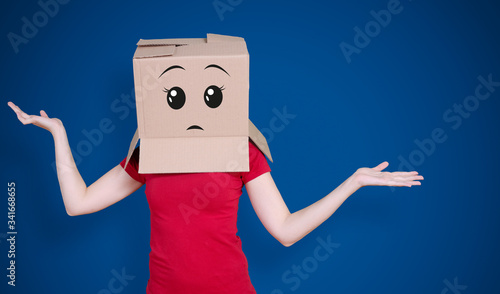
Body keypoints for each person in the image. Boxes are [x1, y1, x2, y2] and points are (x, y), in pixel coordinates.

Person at [7, 101, 423, 293]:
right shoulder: (151, 150)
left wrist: (351, 183)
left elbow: (285, 229)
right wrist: (59, 135)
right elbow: (78, 203)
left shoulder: (241, 148)